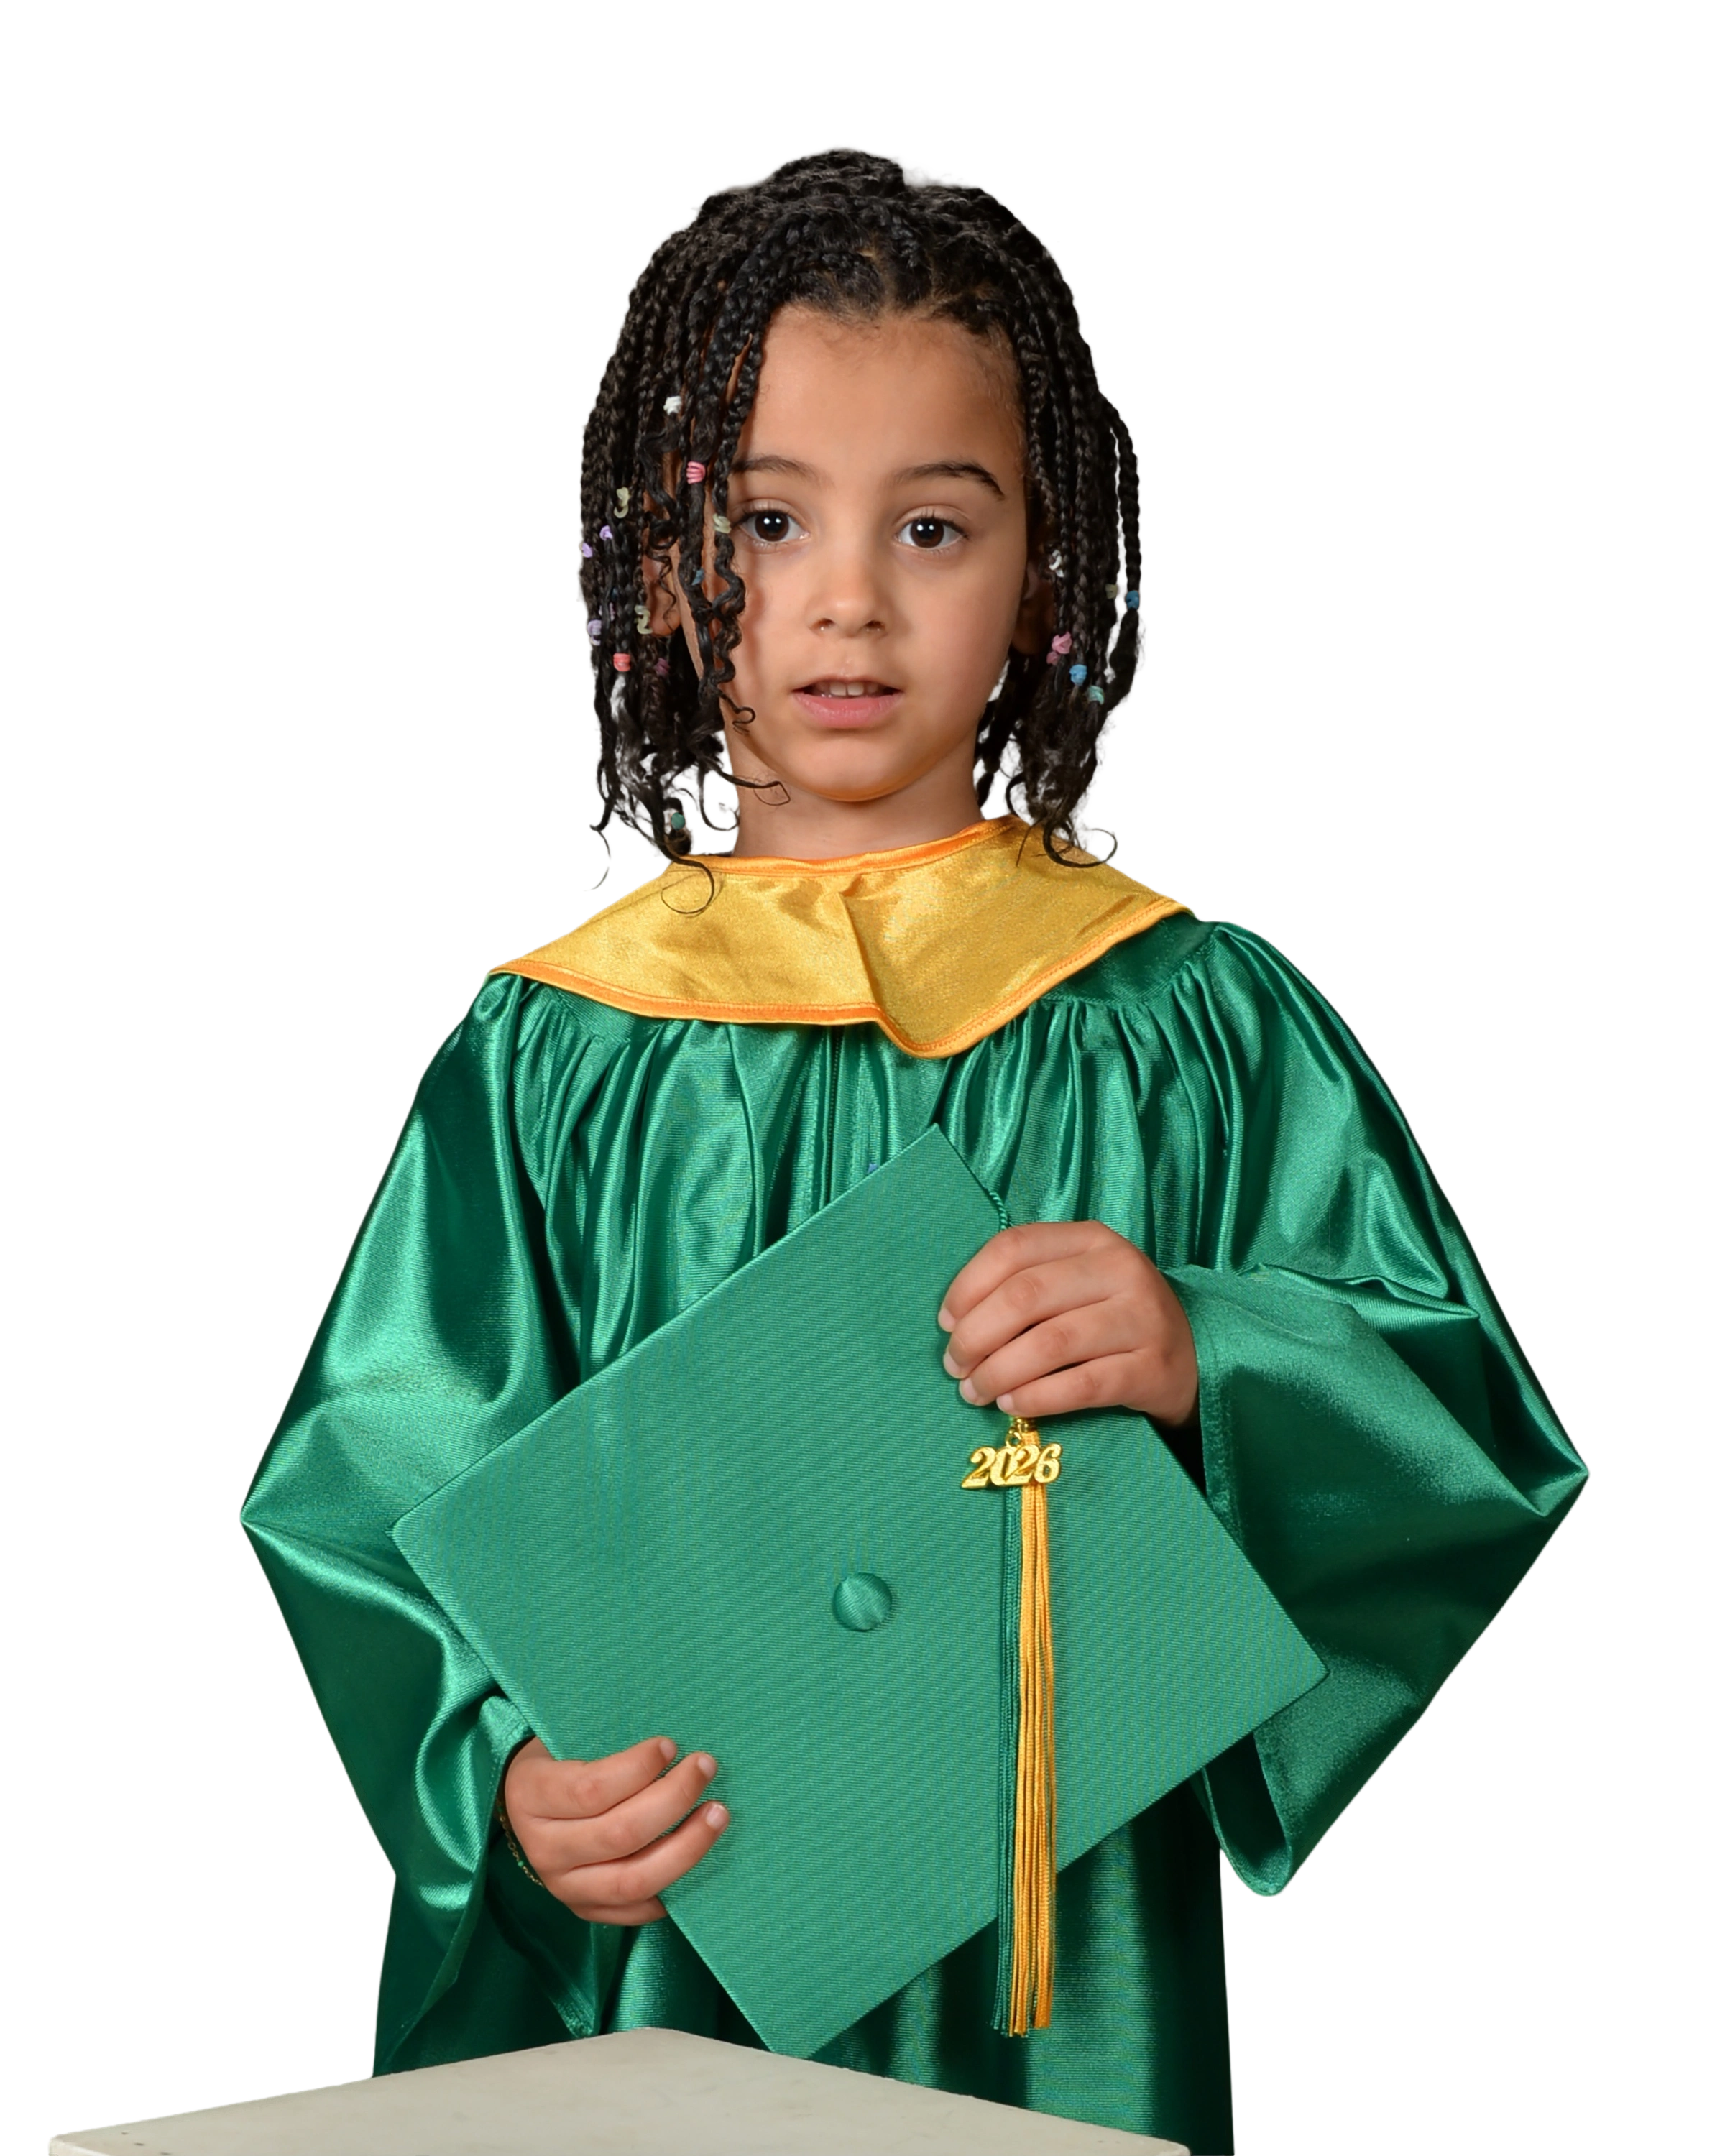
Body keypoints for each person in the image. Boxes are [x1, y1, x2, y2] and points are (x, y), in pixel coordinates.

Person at [239, 149, 1587, 2155]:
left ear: (1046, 573)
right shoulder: (559, 1053)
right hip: (679, 1915)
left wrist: (1208, 1349)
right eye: (769, 521)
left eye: (934, 526)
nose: (847, 597)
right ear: (663, 565)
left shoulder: (1190, 1026)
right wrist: (501, 1778)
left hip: (1060, 1949)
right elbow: (373, 1491)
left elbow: (1460, 1415)